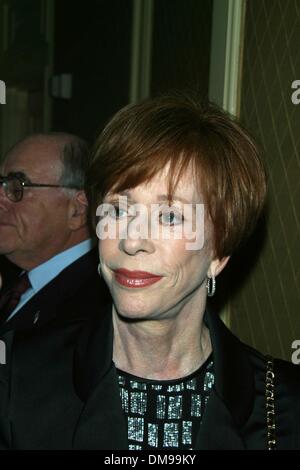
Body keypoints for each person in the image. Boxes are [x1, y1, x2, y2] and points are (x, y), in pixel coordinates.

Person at [71, 94, 300, 450]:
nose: (133, 241)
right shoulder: (17, 380)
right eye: (118, 210)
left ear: (218, 252)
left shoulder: (287, 405)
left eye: (169, 216)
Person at [0, 133, 109, 449]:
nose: (2, 197)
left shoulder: (95, 310)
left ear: (78, 210)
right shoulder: (17, 283)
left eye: (17, 187)